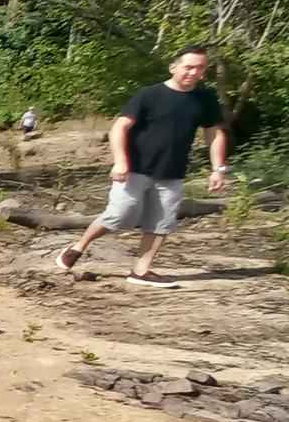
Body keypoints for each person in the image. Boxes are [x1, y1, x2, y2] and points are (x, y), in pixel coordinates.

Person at [55, 46, 229, 287]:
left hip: (172, 172)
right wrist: (120, 161)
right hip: (134, 169)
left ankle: (141, 271)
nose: (194, 72)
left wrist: (218, 168)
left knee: (161, 222)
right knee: (118, 215)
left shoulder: (205, 99)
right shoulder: (149, 95)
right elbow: (120, 127)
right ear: (174, 67)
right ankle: (78, 246)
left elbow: (214, 133)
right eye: (189, 66)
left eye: (200, 68)